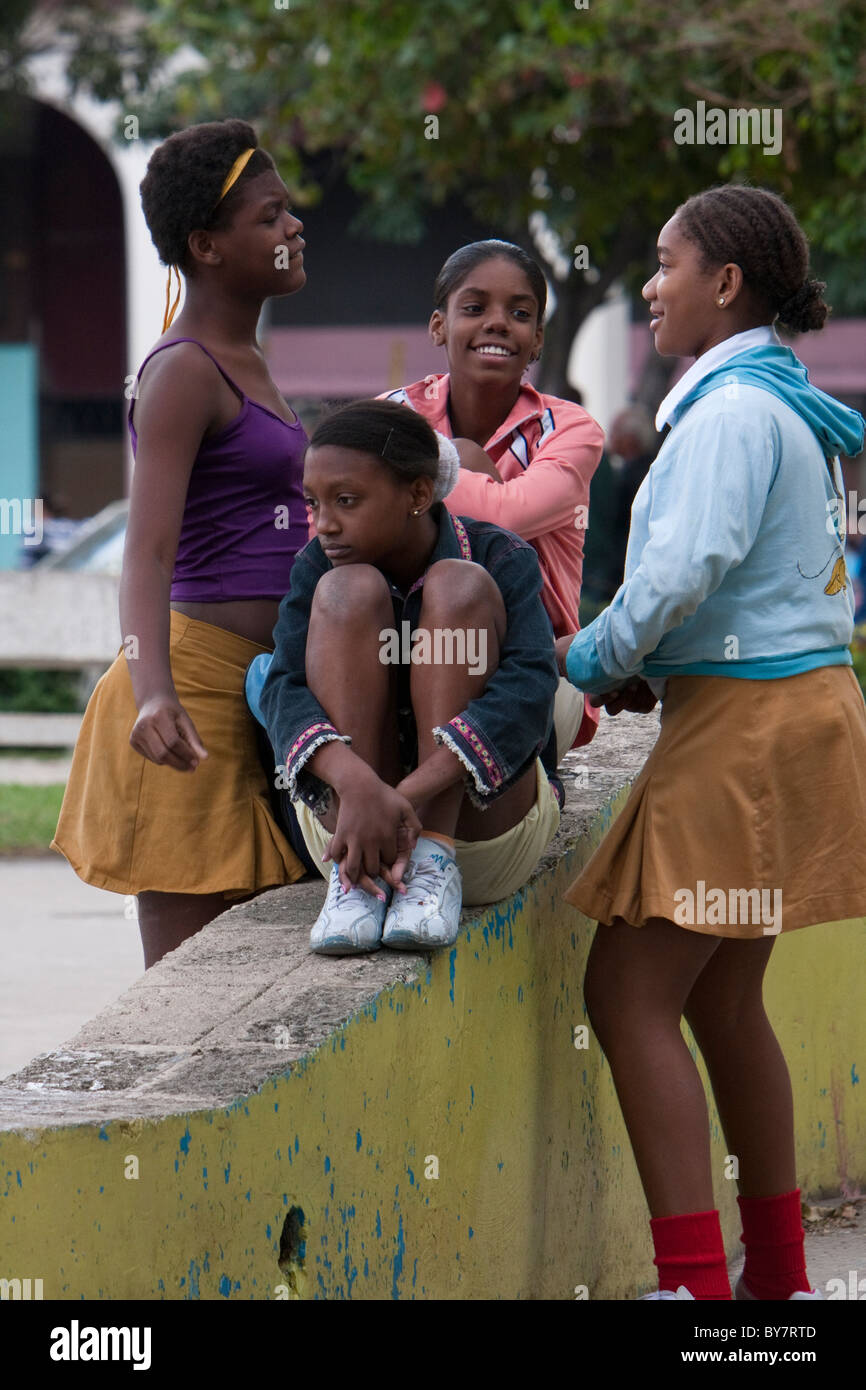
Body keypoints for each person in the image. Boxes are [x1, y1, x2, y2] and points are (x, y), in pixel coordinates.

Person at [557, 184, 866, 1300]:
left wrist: (585, 662)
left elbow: (680, 572)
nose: (648, 285)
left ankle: (691, 1286)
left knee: (625, 997)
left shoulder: (730, 414)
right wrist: (659, 661)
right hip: (798, 712)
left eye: (663, 264)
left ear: (723, 284)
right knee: (724, 1002)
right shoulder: (775, 405)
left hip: (745, 727)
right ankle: (775, 1282)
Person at [51, 119, 311, 969]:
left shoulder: (252, 362)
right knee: (190, 994)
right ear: (206, 245)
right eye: (269, 217)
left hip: (258, 694)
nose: (294, 227)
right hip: (187, 701)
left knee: (262, 991)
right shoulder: (184, 370)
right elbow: (147, 552)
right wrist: (153, 693)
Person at [246, 398, 561, 955]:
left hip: (477, 837)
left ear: (418, 495)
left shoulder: (500, 556)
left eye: (346, 501)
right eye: (314, 504)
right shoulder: (317, 568)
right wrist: (359, 786)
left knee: (458, 585)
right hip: (351, 835)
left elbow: (530, 692)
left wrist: (399, 799)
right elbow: (281, 687)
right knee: (346, 590)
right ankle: (357, 887)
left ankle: (430, 864)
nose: (325, 525)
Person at [380, 239, 605, 778]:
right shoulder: (393, 415)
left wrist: (410, 481)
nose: (498, 324)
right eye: (475, 308)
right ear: (438, 327)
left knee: (463, 460)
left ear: (538, 340)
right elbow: (334, 525)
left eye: (520, 313)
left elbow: (502, 519)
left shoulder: (572, 430)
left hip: (532, 664)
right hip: (403, 648)